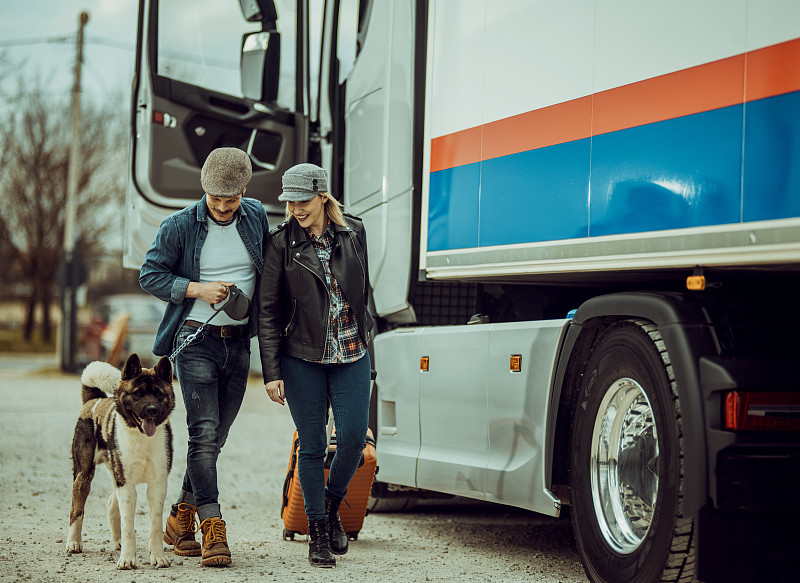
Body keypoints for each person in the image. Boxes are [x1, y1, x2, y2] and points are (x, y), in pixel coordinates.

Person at [139, 147, 269, 567]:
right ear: (204, 189)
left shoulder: (256, 216)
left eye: (231, 199)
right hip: (195, 340)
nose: (223, 206)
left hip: (239, 341)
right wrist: (196, 288)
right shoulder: (178, 226)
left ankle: (179, 520)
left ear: (244, 191)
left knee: (216, 439)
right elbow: (150, 274)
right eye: (215, 199)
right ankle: (212, 527)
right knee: (204, 433)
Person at [258, 163, 374, 568]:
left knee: (355, 442)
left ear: (323, 196)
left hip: (352, 352)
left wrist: (369, 337)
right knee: (312, 446)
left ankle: (330, 502)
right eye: (289, 201)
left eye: (302, 201)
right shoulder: (280, 243)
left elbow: (364, 292)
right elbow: (268, 312)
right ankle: (319, 532)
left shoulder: (354, 232)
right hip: (302, 356)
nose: (295, 208)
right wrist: (272, 372)